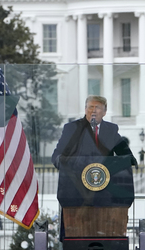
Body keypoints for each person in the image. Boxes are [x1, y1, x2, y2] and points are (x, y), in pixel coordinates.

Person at [52, 95, 137, 238]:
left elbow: (128, 159)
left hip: (106, 200)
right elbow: (56, 157)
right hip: (76, 196)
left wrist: (114, 165)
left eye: (98, 108)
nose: (93, 111)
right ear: (85, 109)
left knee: (105, 241)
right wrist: (70, 163)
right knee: (76, 245)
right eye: (90, 107)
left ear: (104, 112)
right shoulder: (72, 128)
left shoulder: (111, 129)